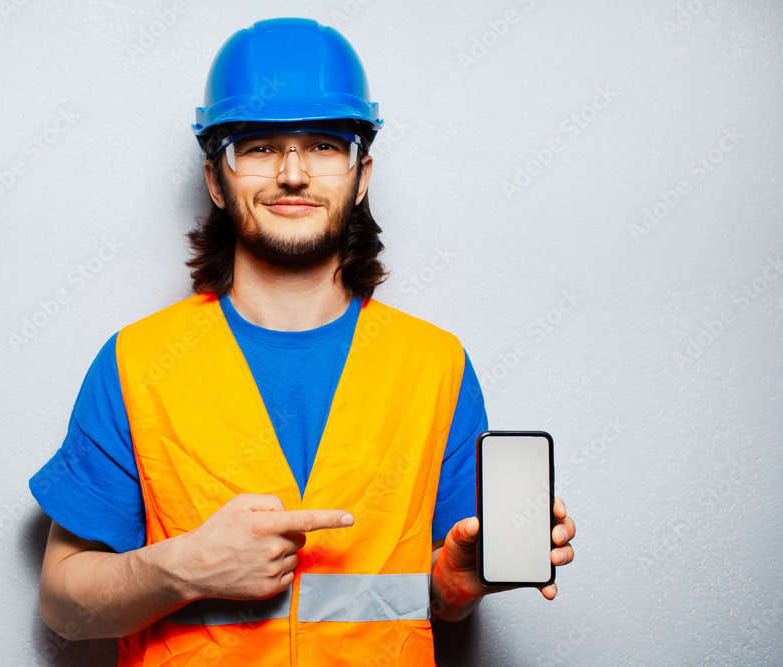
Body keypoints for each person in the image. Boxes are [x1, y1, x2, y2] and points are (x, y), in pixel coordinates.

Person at [30, 17, 575, 666]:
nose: (293, 172)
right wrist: (184, 567)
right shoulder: (137, 364)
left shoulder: (435, 366)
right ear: (215, 178)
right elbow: (63, 604)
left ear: (360, 173)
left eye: (323, 145)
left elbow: (412, 595)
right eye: (259, 147)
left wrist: (452, 587)